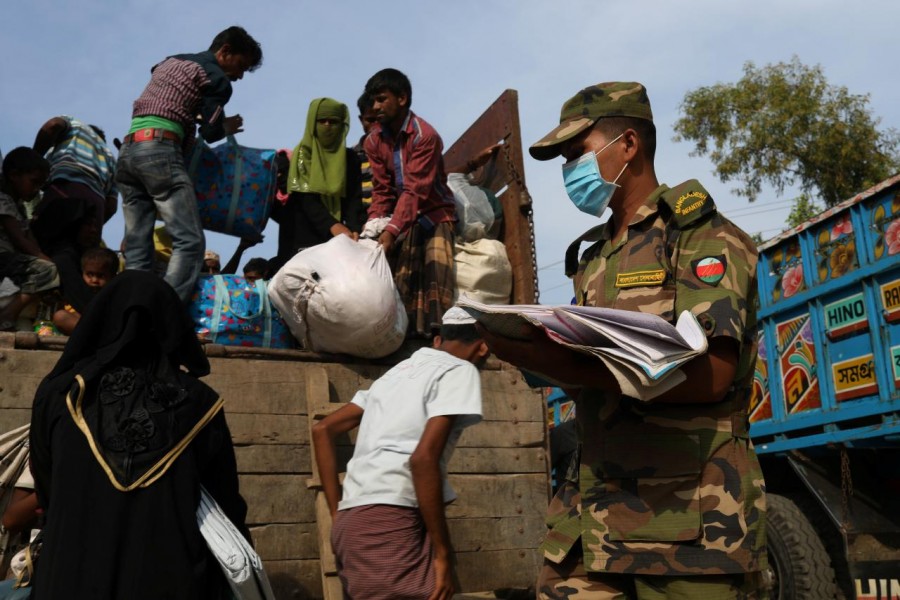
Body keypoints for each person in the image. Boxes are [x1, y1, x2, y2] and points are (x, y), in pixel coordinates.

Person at [480, 83, 766, 598]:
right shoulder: (592, 259)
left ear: (628, 145)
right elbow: (591, 375)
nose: (570, 172)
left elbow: (714, 376)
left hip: (686, 525)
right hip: (591, 518)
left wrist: (575, 367)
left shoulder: (701, 236)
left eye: (578, 155)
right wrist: (531, 354)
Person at [29, 270, 249, 599]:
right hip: (168, 579)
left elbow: (46, 482)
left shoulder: (59, 394)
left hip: (68, 572)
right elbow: (225, 500)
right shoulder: (199, 403)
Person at [312, 306, 489, 600]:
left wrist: (337, 512)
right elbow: (422, 460)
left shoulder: (394, 375)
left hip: (351, 524)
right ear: (483, 347)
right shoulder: (460, 370)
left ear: (437, 341)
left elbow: (323, 430)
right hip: (391, 520)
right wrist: (443, 554)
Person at [116, 26, 263, 303]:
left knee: (137, 245)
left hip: (129, 152)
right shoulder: (216, 78)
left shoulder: (171, 61)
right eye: (241, 66)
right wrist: (226, 127)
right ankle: (163, 310)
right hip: (160, 153)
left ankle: (131, 307)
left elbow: (168, 96)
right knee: (190, 242)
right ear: (225, 51)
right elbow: (210, 132)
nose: (240, 75)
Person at [363, 68, 457, 336]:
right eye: (373, 101)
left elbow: (416, 191)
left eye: (382, 99)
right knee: (398, 278)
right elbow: (381, 190)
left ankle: (440, 337)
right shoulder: (373, 141)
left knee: (437, 271)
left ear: (402, 98)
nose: (376, 107)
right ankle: (400, 335)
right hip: (403, 217)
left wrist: (392, 230)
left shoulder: (425, 136)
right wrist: (374, 226)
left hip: (436, 212)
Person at [269, 98, 365, 274]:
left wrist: (354, 228)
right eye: (322, 121)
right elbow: (305, 199)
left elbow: (353, 198)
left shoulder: (349, 158)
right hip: (301, 235)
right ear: (312, 123)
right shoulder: (302, 156)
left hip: (340, 239)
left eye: (333, 121)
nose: (327, 126)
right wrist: (333, 226)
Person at [31, 116, 118, 251]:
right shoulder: (112, 159)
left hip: (65, 190)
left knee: (46, 249)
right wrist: (90, 223)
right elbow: (112, 207)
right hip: (97, 205)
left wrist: (32, 159)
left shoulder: (75, 125)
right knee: (82, 261)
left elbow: (53, 125)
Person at [0, 148, 58, 331]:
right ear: (14, 175)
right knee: (47, 270)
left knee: (48, 274)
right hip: (2, 258)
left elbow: (30, 239)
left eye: (41, 185)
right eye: (34, 182)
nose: (36, 190)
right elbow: (19, 239)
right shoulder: (3, 200)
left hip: (11, 262)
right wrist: (47, 262)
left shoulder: (20, 208)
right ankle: (8, 314)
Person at [51, 246, 119, 334]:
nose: (94, 280)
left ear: (113, 277)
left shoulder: (112, 295)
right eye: (90, 275)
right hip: (83, 331)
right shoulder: (74, 291)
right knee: (61, 316)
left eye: (101, 276)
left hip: (102, 331)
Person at [351, 92, 378, 206]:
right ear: (361, 120)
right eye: (371, 120)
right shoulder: (352, 156)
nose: (376, 125)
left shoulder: (400, 151)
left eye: (379, 120)